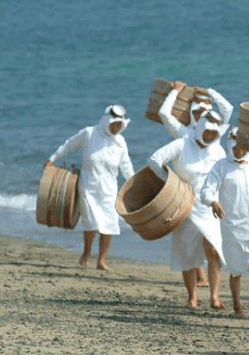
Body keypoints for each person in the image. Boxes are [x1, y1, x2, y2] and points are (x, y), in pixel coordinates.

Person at [148, 109, 227, 310]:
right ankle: (192, 297)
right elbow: (155, 160)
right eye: (207, 131)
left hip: (211, 206)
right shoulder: (182, 144)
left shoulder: (218, 151)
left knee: (213, 250)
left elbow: (224, 177)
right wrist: (171, 185)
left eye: (213, 133)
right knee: (187, 252)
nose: (209, 135)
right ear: (200, 127)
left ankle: (215, 297)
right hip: (185, 205)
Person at [158, 81, 233, 287]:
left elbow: (227, 109)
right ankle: (198, 277)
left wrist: (210, 92)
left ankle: (209, 285)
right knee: (189, 243)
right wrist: (174, 91)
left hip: (211, 198)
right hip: (187, 198)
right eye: (197, 111)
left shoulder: (215, 136)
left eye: (206, 110)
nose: (201, 114)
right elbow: (164, 114)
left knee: (211, 245)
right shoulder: (183, 133)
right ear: (191, 113)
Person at [44, 104, 134, 271]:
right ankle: (87, 251)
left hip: (109, 190)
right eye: (113, 124)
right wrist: (52, 158)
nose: (115, 128)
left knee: (109, 225)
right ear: (106, 121)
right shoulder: (89, 133)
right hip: (88, 187)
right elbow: (69, 145)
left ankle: (101, 261)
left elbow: (126, 166)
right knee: (92, 223)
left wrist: (134, 186)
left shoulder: (120, 142)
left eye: (119, 125)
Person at [200, 131, 249, 319]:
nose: (239, 152)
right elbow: (206, 191)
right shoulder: (221, 166)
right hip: (232, 226)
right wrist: (213, 202)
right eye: (235, 148)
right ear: (229, 146)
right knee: (236, 270)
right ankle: (238, 308)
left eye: (242, 148)